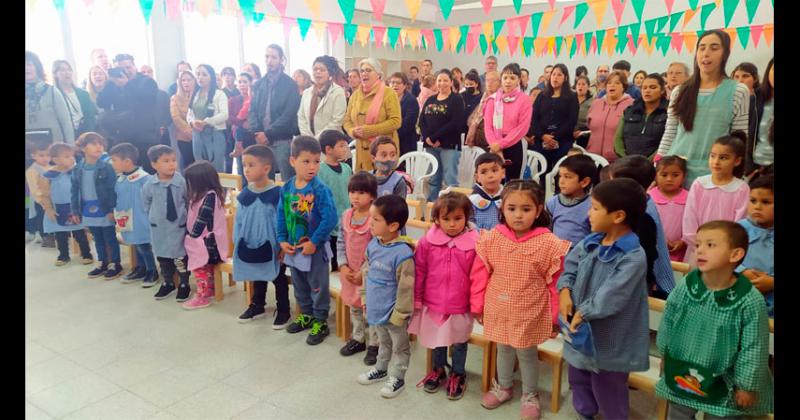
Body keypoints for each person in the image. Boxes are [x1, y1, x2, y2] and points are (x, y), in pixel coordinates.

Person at [655, 221, 773, 418]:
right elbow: (668, 321)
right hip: (681, 370)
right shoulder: (686, 285)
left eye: (710, 245)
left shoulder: (748, 299)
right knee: (678, 413)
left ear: (735, 254)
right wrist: (665, 354)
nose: (700, 250)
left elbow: (754, 346)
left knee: (721, 415)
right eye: (698, 244)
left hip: (725, 380)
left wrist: (747, 384)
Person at [475, 180, 571, 419]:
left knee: (527, 354)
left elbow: (556, 283)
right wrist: (477, 305)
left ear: (538, 210)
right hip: (498, 306)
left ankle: (530, 394)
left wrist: (554, 318)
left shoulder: (549, 243)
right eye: (512, 209)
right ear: (502, 209)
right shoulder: (492, 238)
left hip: (530, 310)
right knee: (503, 348)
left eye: (526, 209)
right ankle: (504, 386)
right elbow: (480, 273)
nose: (518, 215)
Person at [558, 178, 652, 420]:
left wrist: (584, 311)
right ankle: (584, 413)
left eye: (595, 208)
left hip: (611, 336)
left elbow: (613, 294)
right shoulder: (591, 241)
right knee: (578, 375)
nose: (589, 213)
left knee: (608, 385)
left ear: (618, 216)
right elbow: (570, 266)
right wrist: (565, 290)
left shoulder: (632, 255)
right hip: (579, 330)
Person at [410, 192, 484, 400]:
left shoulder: (475, 244)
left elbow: (478, 277)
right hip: (433, 303)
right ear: (436, 219)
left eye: (458, 219)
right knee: (438, 340)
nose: (452, 224)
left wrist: (477, 305)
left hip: (461, 304)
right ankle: (438, 370)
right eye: (446, 219)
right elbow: (420, 272)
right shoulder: (426, 243)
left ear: (467, 218)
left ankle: (458, 374)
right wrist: (417, 298)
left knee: (460, 342)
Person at [656, 30, 750, 184]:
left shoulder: (738, 91)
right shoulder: (680, 91)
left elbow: (739, 138)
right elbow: (670, 132)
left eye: (714, 48)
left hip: (714, 175)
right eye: (702, 48)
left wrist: (736, 175)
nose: (706, 54)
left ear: (725, 53)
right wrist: (659, 165)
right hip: (677, 175)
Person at [278, 136, 338, 344]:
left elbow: (331, 218)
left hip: (315, 250)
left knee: (318, 285)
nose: (312, 166)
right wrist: (281, 239)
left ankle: (320, 320)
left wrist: (314, 241)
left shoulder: (320, 190)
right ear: (292, 161)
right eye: (306, 161)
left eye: (316, 161)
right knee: (299, 283)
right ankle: (306, 314)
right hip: (294, 248)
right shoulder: (287, 188)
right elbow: (281, 215)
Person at [356, 194, 415, 399]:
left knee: (400, 346)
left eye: (376, 220)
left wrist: (400, 314)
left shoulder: (403, 254)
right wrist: (365, 299)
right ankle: (381, 368)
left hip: (393, 313)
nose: (370, 223)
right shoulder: (373, 245)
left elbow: (406, 288)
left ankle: (398, 377)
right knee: (382, 341)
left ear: (393, 226)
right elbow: (366, 273)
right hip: (375, 307)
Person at [233, 145, 292, 326]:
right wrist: (237, 241)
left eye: (251, 165)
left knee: (278, 278)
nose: (246, 169)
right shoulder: (245, 194)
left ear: (266, 169)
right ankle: (257, 304)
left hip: (274, 246)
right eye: (244, 165)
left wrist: (283, 245)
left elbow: (286, 221)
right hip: (250, 242)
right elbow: (239, 221)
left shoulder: (278, 194)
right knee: (256, 275)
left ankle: (284, 310)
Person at [609, 155, 676, 297]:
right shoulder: (641, 202)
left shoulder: (643, 215)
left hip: (634, 283)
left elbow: (647, 258)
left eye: (613, 183)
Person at [682, 132, 750, 266]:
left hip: (724, 253)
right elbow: (689, 217)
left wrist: (724, 247)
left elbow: (740, 223)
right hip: (697, 249)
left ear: (737, 161)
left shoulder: (741, 188)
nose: (716, 162)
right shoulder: (699, 184)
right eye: (713, 156)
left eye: (723, 158)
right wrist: (698, 243)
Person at [337, 172, 380, 364]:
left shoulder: (375, 219)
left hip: (369, 275)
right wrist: (343, 266)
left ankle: (374, 344)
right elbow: (340, 242)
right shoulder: (346, 215)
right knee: (354, 307)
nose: (355, 196)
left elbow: (377, 249)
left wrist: (364, 271)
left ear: (372, 196)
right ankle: (358, 338)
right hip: (349, 273)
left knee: (369, 310)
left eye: (361, 192)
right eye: (352, 192)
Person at [143, 145, 192, 302]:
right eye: (166, 161)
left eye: (173, 160)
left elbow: (188, 200)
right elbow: (146, 203)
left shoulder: (181, 182)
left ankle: (184, 283)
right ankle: (168, 282)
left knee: (180, 256)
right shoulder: (149, 184)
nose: (171, 164)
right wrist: (155, 217)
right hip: (159, 228)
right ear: (154, 164)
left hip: (178, 226)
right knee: (163, 255)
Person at [71, 132, 122, 279]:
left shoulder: (107, 167)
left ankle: (115, 263)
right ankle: (103, 262)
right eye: (93, 144)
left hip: (105, 208)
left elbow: (112, 190)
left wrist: (112, 209)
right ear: (82, 147)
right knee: (97, 237)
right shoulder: (78, 168)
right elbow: (74, 190)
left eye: (100, 143)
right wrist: (75, 210)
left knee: (109, 237)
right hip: (87, 208)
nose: (98, 147)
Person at [98, 54, 161, 172]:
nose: (126, 71)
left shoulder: (147, 81)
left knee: (148, 175)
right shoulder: (114, 85)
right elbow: (101, 102)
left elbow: (146, 99)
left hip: (145, 138)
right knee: (124, 175)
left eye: (128, 67)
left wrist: (127, 84)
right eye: (121, 69)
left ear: (134, 66)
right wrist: (110, 83)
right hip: (123, 139)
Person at [247, 44, 301, 182]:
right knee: (263, 180)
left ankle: (288, 205)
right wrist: (258, 132)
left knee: (287, 180)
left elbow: (289, 114)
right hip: (261, 140)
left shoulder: (290, 84)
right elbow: (252, 110)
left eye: (273, 57)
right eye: (267, 56)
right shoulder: (259, 84)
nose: (269, 60)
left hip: (282, 140)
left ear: (281, 60)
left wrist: (268, 133)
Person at [108, 143, 158, 287]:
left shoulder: (144, 179)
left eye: (115, 160)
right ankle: (140, 268)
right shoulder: (121, 178)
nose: (112, 163)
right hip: (127, 218)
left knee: (144, 245)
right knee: (136, 243)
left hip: (141, 219)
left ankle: (151, 270)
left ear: (127, 161)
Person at [181, 161, 229, 309]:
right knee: (205, 267)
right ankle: (210, 289)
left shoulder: (210, 197)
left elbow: (201, 220)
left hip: (209, 244)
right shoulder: (204, 195)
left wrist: (190, 235)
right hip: (207, 241)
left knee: (199, 267)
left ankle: (202, 296)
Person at [39, 143, 93, 266]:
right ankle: (63, 255)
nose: (71, 158)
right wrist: (48, 209)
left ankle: (86, 253)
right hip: (58, 209)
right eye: (67, 156)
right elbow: (44, 194)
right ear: (55, 159)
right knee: (60, 234)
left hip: (76, 208)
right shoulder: (48, 176)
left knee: (80, 232)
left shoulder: (78, 171)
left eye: (72, 156)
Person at [343, 58, 402, 172]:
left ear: (378, 74)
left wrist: (369, 130)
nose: (364, 73)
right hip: (362, 150)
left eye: (368, 70)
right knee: (364, 187)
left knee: (382, 187)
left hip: (384, 151)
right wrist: (352, 131)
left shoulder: (389, 93)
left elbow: (395, 121)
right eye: (362, 71)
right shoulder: (355, 95)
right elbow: (347, 120)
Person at [420, 69, 466, 201]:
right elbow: (422, 120)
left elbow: (455, 123)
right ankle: (432, 208)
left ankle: (452, 209)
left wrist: (435, 137)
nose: (442, 83)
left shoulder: (456, 99)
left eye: (445, 80)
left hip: (449, 145)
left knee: (449, 179)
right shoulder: (430, 99)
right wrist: (427, 137)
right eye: (439, 80)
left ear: (451, 82)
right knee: (434, 178)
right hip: (430, 145)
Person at [483, 63, 532, 181]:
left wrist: (501, 144)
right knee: (493, 182)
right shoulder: (492, 100)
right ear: (501, 80)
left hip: (514, 145)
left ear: (518, 80)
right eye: (505, 78)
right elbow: (488, 126)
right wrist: (496, 146)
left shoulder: (524, 100)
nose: (508, 81)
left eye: (512, 78)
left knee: (513, 184)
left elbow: (522, 128)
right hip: (494, 145)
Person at [530, 63, 578, 178]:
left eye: (559, 75)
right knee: (542, 174)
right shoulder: (542, 96)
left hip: (562, 141)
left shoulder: (572, 97)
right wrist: (543, 136)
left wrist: (554, 137)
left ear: (565, 78)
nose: (555, 77)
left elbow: (571, 121)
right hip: (542, 141)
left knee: (559, 175)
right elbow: (534, 119)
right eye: (553, 74)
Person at [737, 174, 774, 317]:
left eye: (766, 202)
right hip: (738, 299)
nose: (757, 206)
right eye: (753, 201)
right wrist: (742, 271)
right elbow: (722, 259)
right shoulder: (737, 230)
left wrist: (771, 282)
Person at [318, 130, 353, 272]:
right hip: (329, 219)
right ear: (328, 149)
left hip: (346, 218)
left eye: (346, 145)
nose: (346, 149)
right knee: (332, 260)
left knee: (345, 256)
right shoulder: (320, 169)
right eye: (342, 146)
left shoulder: (346, 168)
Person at [546, 154, 596, 248]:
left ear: (584, 182)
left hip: (581, 255)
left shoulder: (593, 206)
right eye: (560, 176)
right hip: (556, 253)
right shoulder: (553, 203)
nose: (561, 181)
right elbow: (546, 231)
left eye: (567, 177)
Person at [614, 73, 668, 159]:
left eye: (653, 87)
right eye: (644, 88)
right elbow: (618, 139)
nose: (647, 91)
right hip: (626, 163)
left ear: (662, 90)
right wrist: (625, 159)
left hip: (655, 164)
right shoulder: (630, 111)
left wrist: (648, 161)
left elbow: (668, 141)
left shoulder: (668, 112)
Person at [186, 64, 229, 172]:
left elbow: (224, 114)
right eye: (198, 74)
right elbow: (189, 113)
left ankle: (219, 189)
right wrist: (192, 122)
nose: (200, 77)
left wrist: (206, 122)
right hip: (198, 135)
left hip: (215, 134)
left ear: (211, 77)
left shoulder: (219, 94)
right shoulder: (195, 94)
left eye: (204, 75)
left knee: (216, 168)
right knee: (200, 168)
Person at [26, 51, 75, 144]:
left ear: (37, 68)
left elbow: (66, 122)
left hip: (54, 149)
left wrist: (70, 146)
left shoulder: (52, 91)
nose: (26, 68)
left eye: (29, 64)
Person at [586, 71, 633, 163]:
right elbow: (589, 125)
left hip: (617, 160)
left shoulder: (631, 105)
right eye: (609, 83)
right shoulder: (596, 103)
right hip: (592, 157)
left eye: (617, 83)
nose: (612, 85)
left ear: (624, 87)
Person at [649, 156, 689, 262]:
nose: (669, 179)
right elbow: (646, 224)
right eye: (664, 175)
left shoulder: (690, 198)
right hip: (654, 249)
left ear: (684, 176)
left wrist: (684, 241)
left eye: (675, 175)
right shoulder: (649, 197)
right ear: (656, 176)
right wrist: (659, 239)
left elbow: (693, 223)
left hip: (681, 252)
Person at [297, 56, 347, 139]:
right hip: (309, 142)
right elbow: (301, 117)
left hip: (331, 141)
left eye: (322, 70)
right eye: (315, 69)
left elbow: (336, 121)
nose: (318, 72)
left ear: (330, 73)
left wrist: (317, 138)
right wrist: (308, 138)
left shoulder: (338, 91)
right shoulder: (307, 92)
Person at [54, 60, 98, 139]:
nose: (67, 73)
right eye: (62, 70)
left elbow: (91, 116)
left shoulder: (83, 93)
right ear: (55, 74)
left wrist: (88, 135)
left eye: (69, 70)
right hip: (65, 136)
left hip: (85, 134)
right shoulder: (53, 95)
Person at [745, 58, 774, 179]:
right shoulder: (756, 99)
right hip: (757, 169)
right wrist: (749, 168)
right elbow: (745, 136)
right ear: (768, 71)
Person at [26, 139, 55, 247]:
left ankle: (54, 234)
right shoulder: (32, 170)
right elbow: (34, 188)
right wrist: (41, 200)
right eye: (41, 155)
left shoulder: (52, 167)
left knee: (52, 217)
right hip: (40, 200)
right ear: (34, 156)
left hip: (53, 198)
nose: (45, 158)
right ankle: (45, 237)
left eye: (48, 155)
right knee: (42, 218)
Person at [470, 153, 505, 231]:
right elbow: (469, 222)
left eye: (494, 170)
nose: (490, 175)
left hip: (503, 239)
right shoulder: (472, 200)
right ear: (477, 177)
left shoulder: (508, 197)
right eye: (483, 172)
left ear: (503, 173)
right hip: (477, 239)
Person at [465, 71, 499, 151]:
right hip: (477, 140)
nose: (489, 83)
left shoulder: (501, 99)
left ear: (500, 82)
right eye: (487, 80)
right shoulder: (484, 96)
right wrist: (473, 127)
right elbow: (471, 119)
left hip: (492, 141)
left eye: (493, 81)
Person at [170, 70, 197, 168]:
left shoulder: (200, 96)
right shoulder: (175, 98)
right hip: (184, 138)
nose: (186, 82)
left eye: (189, 80)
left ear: (194, 81)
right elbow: (176, 117)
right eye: (183, 80)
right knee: (188, 164)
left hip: (200, 135)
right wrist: (190, 132)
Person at [228, 72, 254, 171]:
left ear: (250, 83)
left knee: (253, 164)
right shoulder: (233, 100)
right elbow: (229, 117)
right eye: (240, 82)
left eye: (245, 82)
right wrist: (241, 122)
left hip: (252, 135)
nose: (242, 84)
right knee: (241, 166)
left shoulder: (254, 99)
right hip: (239, 134)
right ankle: (242, 185)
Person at [389, 72, 420, 157]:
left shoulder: (411, 100)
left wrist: (391, 133)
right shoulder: (387, 100)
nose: (395, 85)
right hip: (389, 142)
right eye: (392, 82)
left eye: (398, 83)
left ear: (405, 85)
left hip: (406, 143)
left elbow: (408, 124)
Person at [572, 75, 593, 149]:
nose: (581, 86)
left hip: (584, 134)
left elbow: (593, 121)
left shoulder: (593, 101)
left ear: (588, 87)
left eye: (583, 84)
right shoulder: (570, 100)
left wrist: (582, 131)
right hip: (569, 133)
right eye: (579, 84)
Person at [461, 71, 483, 137]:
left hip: (474, 128)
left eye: (471, 84)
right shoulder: (461, 96)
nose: (468, 86)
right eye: (466, 84)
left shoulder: (481, 97)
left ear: (476, 84)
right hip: (462, 127)